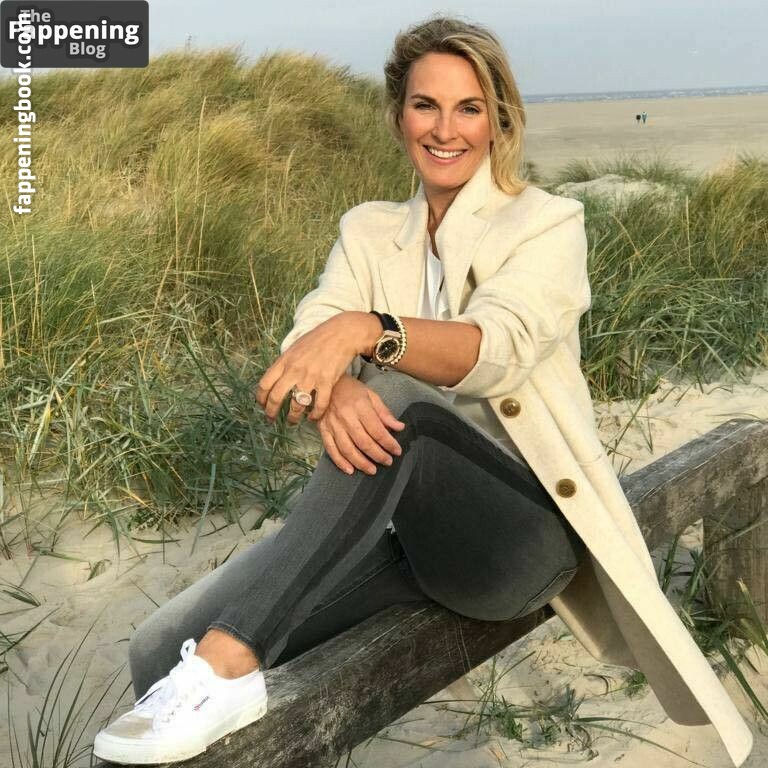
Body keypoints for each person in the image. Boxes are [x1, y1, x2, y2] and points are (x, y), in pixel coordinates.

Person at [93, 16, 753, 768]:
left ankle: (227, 663)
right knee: (156, 648)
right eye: (425, 105)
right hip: (409, 535)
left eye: (469, 108)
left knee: (400, 399)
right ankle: (208, 681)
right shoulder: (368, 230)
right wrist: (339, 382)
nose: (445, 129)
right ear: (397, 115)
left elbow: (497, 348)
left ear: (499, 120)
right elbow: (306, 342)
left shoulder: (547, 222)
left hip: (521, 538)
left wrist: (365, 333)